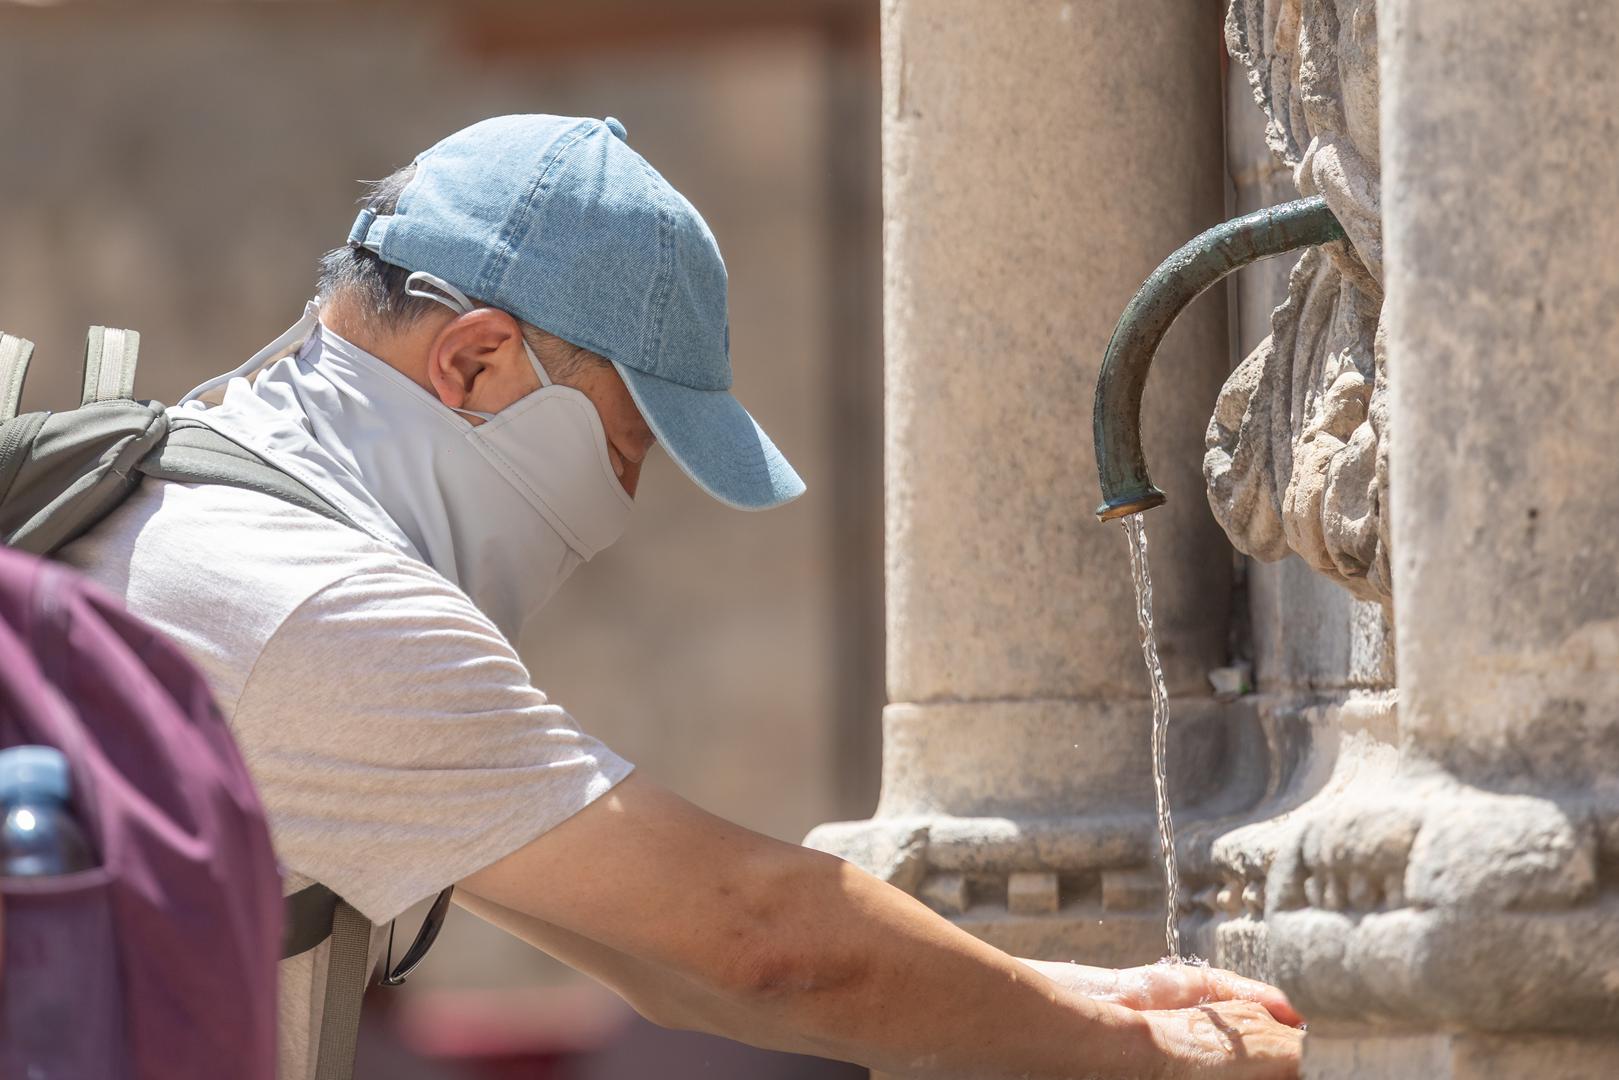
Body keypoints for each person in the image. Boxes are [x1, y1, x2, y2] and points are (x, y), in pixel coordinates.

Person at [59, 114, 1303, 1079]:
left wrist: (1077, 998)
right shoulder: (322, 612)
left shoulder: (202, 486)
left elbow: (656, 955)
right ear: (477, 360)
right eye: (626, 440)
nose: (624, 496)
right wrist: (1153, 1055)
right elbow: (760, 944)